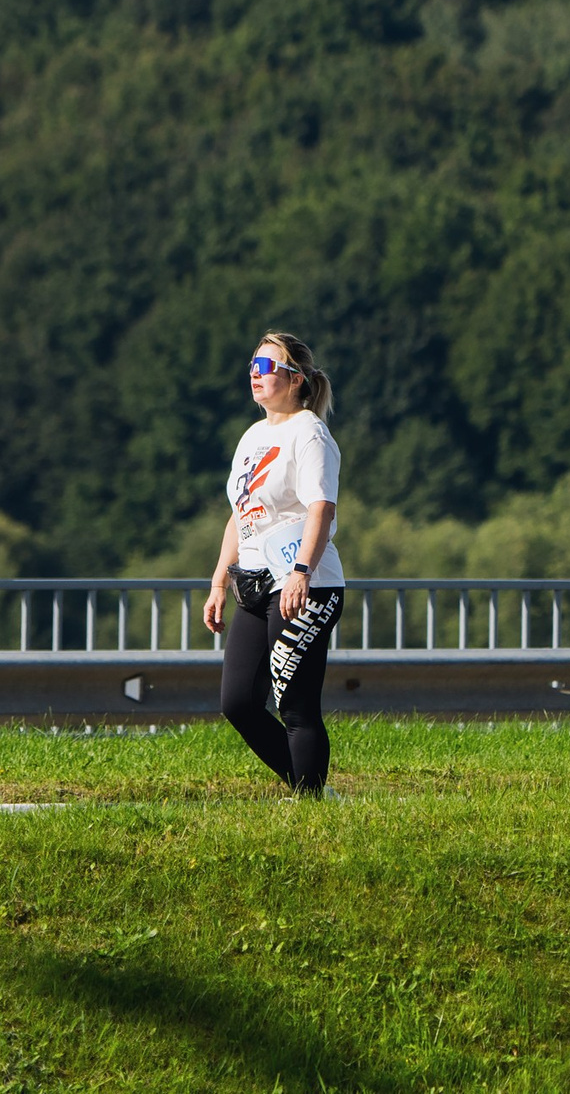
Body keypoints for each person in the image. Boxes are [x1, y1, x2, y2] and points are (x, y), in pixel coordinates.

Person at [200, 331, 345, 796]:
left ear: (295, 379)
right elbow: (240, 514)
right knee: (238, 702)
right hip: (255, 584)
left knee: (296, 705)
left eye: (265, 368)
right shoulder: (254, 436)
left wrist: (302, 572)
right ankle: (312, 793)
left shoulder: (309, 433)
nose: (254, 376)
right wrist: (219, 581)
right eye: (251, 367)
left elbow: (321, 508)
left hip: (304, 584)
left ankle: (311, 804)